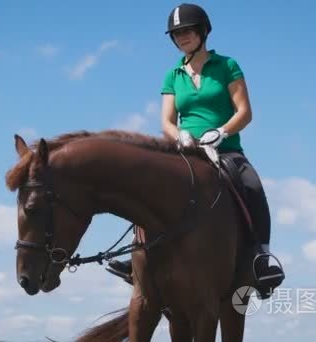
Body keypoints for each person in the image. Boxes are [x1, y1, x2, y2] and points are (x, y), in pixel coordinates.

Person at [106, 3, 284, 299]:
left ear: (203, 32)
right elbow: (166, 121)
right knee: (147, 186)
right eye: (176, 34)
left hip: (225, 151)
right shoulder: (172, 75)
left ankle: (261, 258)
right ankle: (138, 259)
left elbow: (245, 112)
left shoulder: (227, 66)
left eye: (187, 31)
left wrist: (223, 131)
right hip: (185, 150)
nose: (182, 37)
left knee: (252, 184)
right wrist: (181, 136)